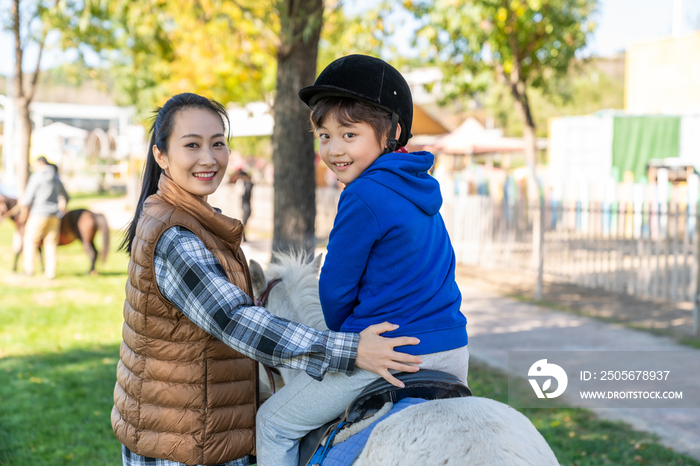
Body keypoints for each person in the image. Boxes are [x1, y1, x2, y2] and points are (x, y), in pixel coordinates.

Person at [111, 92, 422, 466]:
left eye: (218, 144)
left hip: (197, 427)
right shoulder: (176, 238)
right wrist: (349, 350)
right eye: (191, 145)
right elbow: (235, 320)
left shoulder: (193, 220)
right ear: (161, 156)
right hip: (184, 443)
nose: (208, 158)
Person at [255, 54, 469, 466]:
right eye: (323, 136)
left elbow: (334, 293)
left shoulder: (361, 195)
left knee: (273, 422)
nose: (333, 150)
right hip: (453, 352)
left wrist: (345, 337)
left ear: (393, 132)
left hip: (388, 353)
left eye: (348, 134)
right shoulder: (421, 188)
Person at [19, 155, 70, 279]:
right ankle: (50, 273)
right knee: (51, 243)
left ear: (40, 164)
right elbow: (66, 196)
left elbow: (27, 198)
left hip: (38, 214)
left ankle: (29, 269)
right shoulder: (56, 178)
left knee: (30, 240)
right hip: (54, 216)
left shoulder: (36, 177)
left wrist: (22, 201)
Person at [229, 169, 254, 241]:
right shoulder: (245, 184)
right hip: (245, 205)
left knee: (245, 222)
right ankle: (243, 236)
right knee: (244, 222)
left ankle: (243, 236)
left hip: (246, 204)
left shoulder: (247, 183)